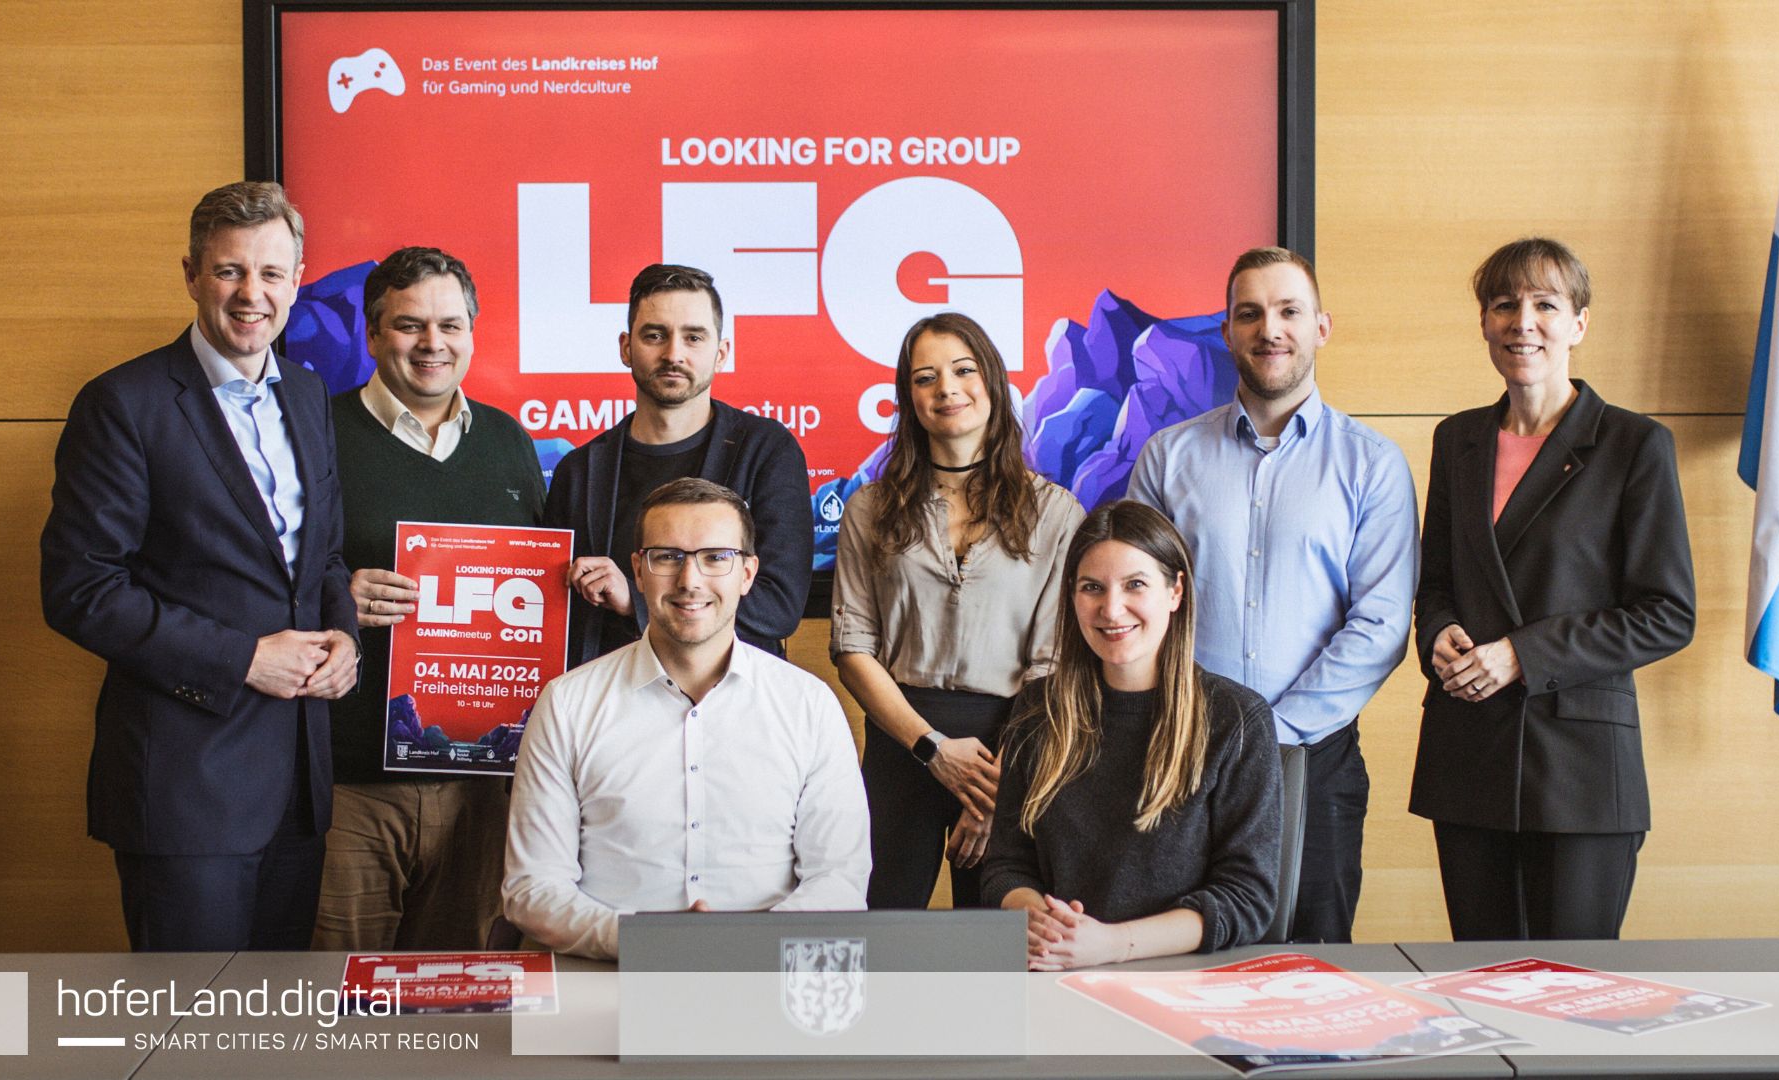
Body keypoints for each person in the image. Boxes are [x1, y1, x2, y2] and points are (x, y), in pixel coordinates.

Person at [40, 181, 357, 951]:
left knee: (272, 1013)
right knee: (193, 1017)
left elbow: (322, 557)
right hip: (186, 788)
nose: (252, 295)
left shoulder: (308, 396)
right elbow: (81, 588)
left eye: (271, 274)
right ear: (191, 274)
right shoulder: (124, 403)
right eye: (229, 271)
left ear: (297, 281)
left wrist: (345, 637)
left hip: (298, 786)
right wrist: (243, 657)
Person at [1128, 246, 1417, 943]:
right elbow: (1135, 609)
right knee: (1181, 963)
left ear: (1321, 326)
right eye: (1250, 314)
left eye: (1289, 311)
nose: (1270, 329)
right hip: (1182, 754)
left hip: (1315, 761)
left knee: (1314, 967)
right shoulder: (1167, 456)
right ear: (1227, 331)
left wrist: (1269, 735)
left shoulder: (1372, 465)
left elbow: (1380, 625)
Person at [1410, 237, 1696, 941]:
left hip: (1581, 770)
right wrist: (1437, 633)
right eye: (1504, 305)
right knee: (1480, 982)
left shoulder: (1634, 444)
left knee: (1572, 988)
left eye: (1545, 304)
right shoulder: (1456, 440)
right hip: (1469, 755)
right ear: (1484, 323)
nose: (1523, 322)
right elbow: (1436, 580)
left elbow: (1668, 613)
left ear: (1579, 324)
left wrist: (1522, 655)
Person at [504, 478, 870, 959]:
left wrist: (746, 947)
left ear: (747, 574)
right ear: (638, 571)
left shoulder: (809, 706)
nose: (690, 580)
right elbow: (532, 887)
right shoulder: (567, 704)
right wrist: (645, 943)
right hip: (611, 977)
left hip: (766, 977)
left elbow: (839, 879)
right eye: (668, 557)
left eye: (716, 557)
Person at [313, 247, 547, 951]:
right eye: (410, 325)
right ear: (373, 334)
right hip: (351, 785)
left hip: (480, 790)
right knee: (338, 993)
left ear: (472, 333)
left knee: (457, 992)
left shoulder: (508, 442)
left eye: (450, 325)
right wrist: (333, 596)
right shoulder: (316, 433)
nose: (432, 344)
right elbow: (262, 574)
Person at [831, 313, 1084, 909]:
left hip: (1012, 747)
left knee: (996, 938)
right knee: (881, 928)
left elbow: (1052, 665)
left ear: (992, 381)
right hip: (902, 744)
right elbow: (852, 648)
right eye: (926, 378)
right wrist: (932, 749)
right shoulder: (869, 508)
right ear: (909, 400)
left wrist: (999, 791)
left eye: (963, 370)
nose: (947, 388)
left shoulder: (1057, 512)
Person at [983, 501, 1282, 968]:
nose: (1111, 608)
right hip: (1055, 966)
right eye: (1092, 587)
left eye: (1135, 585)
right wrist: (1043, 922)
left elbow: (1247, 897)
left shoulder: (1237, 719)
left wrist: (1113, 944)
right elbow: (1006, 865)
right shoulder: (1038, 709)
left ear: (1175, 591)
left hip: (1183, 976)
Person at [541, 264, 812, 669]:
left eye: (693, 337)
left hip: (731, 694)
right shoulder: (579, 471)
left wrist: (635, 600)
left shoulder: (767, 451)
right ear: (626, 348)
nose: (673, 354)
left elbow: (779, 606)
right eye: (655, 335)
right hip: (610, 694)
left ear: (721, 353)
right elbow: (554, 611)